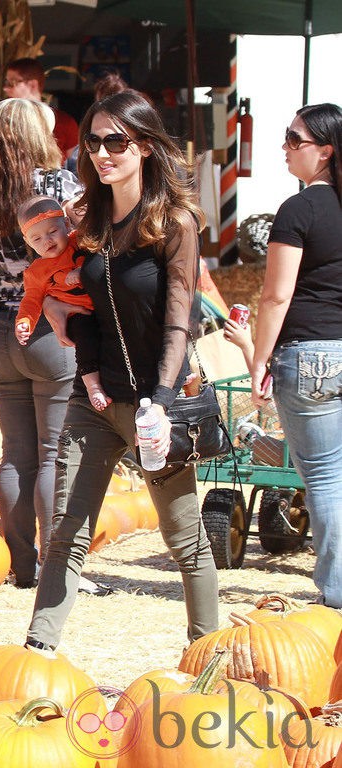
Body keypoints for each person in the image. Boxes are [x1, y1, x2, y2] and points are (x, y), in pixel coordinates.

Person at [24, 89, 219, 654]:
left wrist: (159, 400)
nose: (104, 153)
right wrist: (56, 311)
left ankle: (205, 657)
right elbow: (65, 291)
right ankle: (37, 654)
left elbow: (179, 321)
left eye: (117, 142)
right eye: (95, 141)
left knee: (184, 539)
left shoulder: (174, 222)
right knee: (65, 535)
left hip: (155, 404)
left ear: (147, 148)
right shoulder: (84, 220)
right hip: (95, 398)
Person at [0, 97, 109, 594]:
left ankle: (23, 567)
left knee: (15, 452)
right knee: (53, 453)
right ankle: (57, 570)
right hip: (51, 326)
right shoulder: (58, 185)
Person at [248, 103, 342, 607]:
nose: (284, 146)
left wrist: (260, 359)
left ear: (325, 151)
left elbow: (275, 296)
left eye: (294, 138)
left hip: (311, 356)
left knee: (324, 477)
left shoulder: (298, 209)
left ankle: (337, 593)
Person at [15, 195, 108, 411]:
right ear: (27, 242)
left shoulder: (81, 241)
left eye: (52, 232)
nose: (47, 241)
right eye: (36, 239)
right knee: (85, 341)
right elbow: (31, 301)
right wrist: (24, 322)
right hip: (78, 314)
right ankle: (93, 386)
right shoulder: (36, 272)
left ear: (66, 224)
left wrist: (83, 272)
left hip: (104, 306)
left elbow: (102, 253)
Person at [3, 58, 79, 162]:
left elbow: (75, 165)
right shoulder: (3, 121)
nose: (6, 88)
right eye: (6, 82)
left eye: (12, 83)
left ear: (33, 84)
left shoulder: (64, 122)